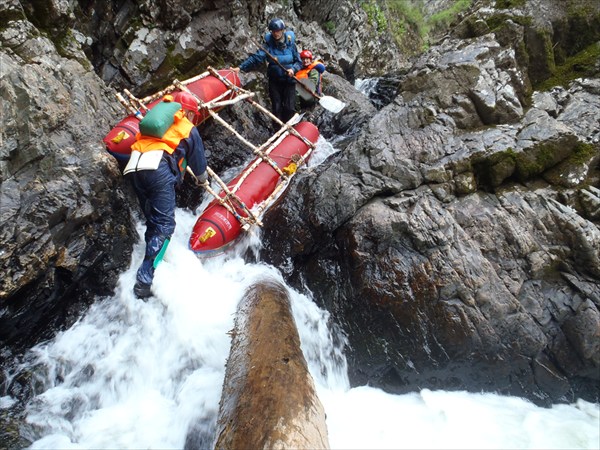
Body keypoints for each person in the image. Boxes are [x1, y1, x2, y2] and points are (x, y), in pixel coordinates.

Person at [124, 91, 208, 299]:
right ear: (187, 112)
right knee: (165, 224)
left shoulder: (152, 122)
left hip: (135, 167)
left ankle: (150, 256)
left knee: (152, 220)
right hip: (157, 170)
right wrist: (202, 181)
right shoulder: (187, 128)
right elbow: (198, 164)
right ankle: (144, 282)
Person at [232, 17, 301, 123]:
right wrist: (240, 67)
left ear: (282, 30)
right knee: (277, 108)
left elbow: (299, 62)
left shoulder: (291, 44)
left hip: (289, 81)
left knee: (289, 108)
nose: (275, 34)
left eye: (278, 31)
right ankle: (278, 130)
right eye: (273, 31)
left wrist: (293, 69)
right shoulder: (268, 45)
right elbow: (256, 58)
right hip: (275, 81)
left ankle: (290, 129)